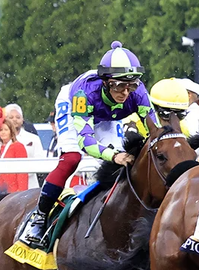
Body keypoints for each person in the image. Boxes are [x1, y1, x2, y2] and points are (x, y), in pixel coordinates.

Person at [17, 41, 157, 249]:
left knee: (127, 163)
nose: (126, 92)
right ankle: (39, 217)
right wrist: (114, 155)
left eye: (131, 85)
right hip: (75, 107)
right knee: (72, 158)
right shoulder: (84, 94)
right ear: (106, 82)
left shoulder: (139, 93)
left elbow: (154, 131)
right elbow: (86, 141)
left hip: (107, 116)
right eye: (119, 85)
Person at [0, 109, 29, 193]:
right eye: (1, 130)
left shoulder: (18, 146)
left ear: (11, 131)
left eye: (6, 130)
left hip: (13, 191)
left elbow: (22, 172)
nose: (3, 132)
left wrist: (21, 192)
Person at [3, 104, 45, 189]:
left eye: (18, 117)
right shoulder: (1, 139)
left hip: (30, 184)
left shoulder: (33, 138)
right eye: (11, 117)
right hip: (7, 186)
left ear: (22, 120)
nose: (15, 120)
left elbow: (40, 161)